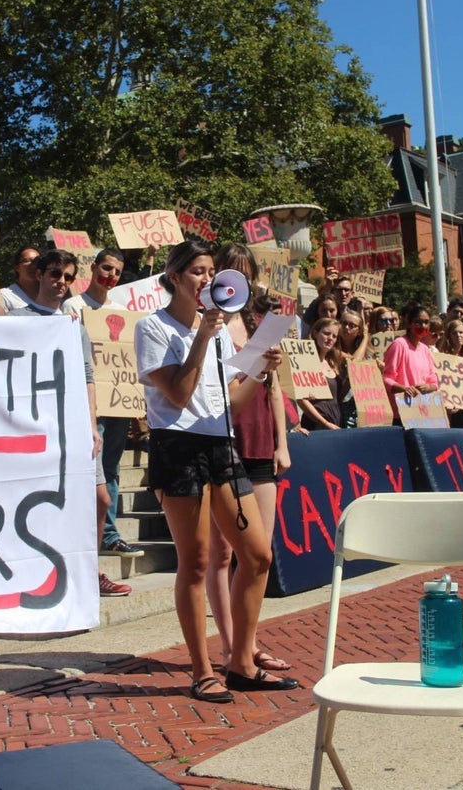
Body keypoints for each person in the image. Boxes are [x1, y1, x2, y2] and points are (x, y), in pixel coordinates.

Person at [135, 241, 297, 703]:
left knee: (258, 555)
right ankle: (203, 670)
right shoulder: (153, 328)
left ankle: (242, 661)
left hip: (221, 446)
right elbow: (181, 395)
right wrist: (202, 337)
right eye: (197, 272)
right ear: (173, 278)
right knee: (198, 561)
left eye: (211, 272)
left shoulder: (225, 330)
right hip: (178, 448)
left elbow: (230, 402)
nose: (207, 280)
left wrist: (261, 373)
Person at [10, 249, 130, 596]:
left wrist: (92, 425)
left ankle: (89, 573)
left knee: (101, 500)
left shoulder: (73, 322)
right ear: (39, 275)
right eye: (54, 275)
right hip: (35, 426)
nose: (61, 282)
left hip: (74, 425)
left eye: (67, 277)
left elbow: (87, 374)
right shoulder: (17, 318)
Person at [205, 246, 292, 676]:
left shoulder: (260, 321)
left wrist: (282, 442)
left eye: (246, 273)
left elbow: (274, 385)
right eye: (231, 272)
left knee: (258, 555)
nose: (239, 280)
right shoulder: (210, 321)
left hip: (258, 439)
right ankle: (228, 646)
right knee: (221, 553)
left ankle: (249, 643)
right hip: (223, 437)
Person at [60, 247, 142, 558]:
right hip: (86, 402)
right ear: (93, 268)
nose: (110, 276)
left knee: (111, 468)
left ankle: (108, 533)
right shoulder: (73, 305)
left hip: (117, 401)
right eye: (106, 268)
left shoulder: (122, 310)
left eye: (116, 272)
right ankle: (83, 530)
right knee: (89, 469)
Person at [382, 302, 439, 423]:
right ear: (409, 323)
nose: (422, 326)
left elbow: (433, 379)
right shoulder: (399, 345)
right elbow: (386, 378)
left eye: (426, 322)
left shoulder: (425, 349)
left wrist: (428, 387)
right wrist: (404, 389)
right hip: (402, 413)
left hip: (423, 413)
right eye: (418, 322)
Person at [298, 318, 347, 431]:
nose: (330, 338)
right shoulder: (305, 361)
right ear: (315, 333)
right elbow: (301, 400)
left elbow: (337, 396)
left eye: (334, 336)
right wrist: (324, 422)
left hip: (336, 422)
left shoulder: (333, 362)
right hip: (316, 425)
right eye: (326, 333)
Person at [0, 246, 41, 313]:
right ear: (17, 267)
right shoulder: (5, 295)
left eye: (37, 261)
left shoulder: (51, 293)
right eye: (27, 261)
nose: (33, 265)